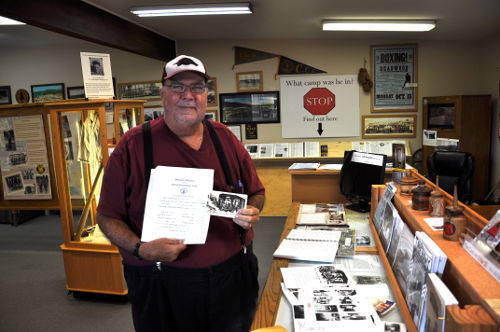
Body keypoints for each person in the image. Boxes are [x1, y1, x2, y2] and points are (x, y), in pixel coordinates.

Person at [96, 54, 265, 332]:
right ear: (163, 94)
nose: (188, 95)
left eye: (197, 87)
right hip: (162, 282)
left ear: (206, 96)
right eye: (177, 87)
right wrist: (142, 248)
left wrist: (253, 210)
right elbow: (107, 217)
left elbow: (257, 193)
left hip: (232, 278)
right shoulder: (134, 145)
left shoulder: (225, 137)